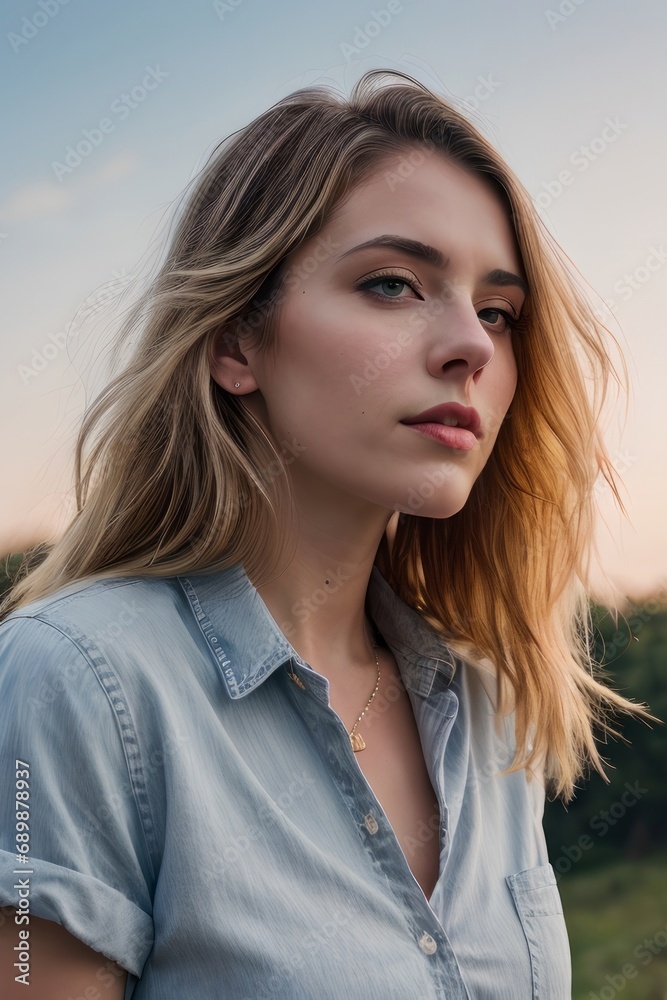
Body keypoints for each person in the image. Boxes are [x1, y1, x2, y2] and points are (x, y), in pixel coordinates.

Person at [0, 68, 656, 1000]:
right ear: (236, 342)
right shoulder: (72, 684)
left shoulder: (485, 703)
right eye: (392, 284)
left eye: (497, 311)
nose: (470, 343)